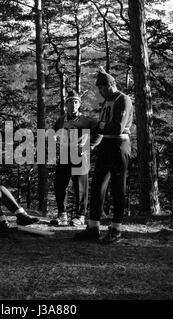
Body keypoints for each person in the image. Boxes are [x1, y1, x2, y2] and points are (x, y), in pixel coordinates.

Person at [74, 68, 133, 244]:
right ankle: (93, 227)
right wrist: (91, 146)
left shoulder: (123, 99)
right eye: (99, 88)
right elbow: (101, 129)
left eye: (102, 88)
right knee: (97, 186)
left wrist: (96, 124)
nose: (100, 92)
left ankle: (116, 228)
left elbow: (117, 127)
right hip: (106, 145)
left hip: (119, 145)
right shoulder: (107, 101)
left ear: (110, 85)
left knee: (117, 187)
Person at [50, 90, 97, 227]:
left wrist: (91, 146)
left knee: (80, 187)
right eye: (70, 102)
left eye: (76, 102)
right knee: (60, 185)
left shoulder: (86, 120)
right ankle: (62, 215)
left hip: (80, 156)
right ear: (66, 104)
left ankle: (80, 216)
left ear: (79, 104)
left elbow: (99, 131)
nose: (73, 105)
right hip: (65, 155)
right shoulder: (61, 120)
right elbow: (53, 132)